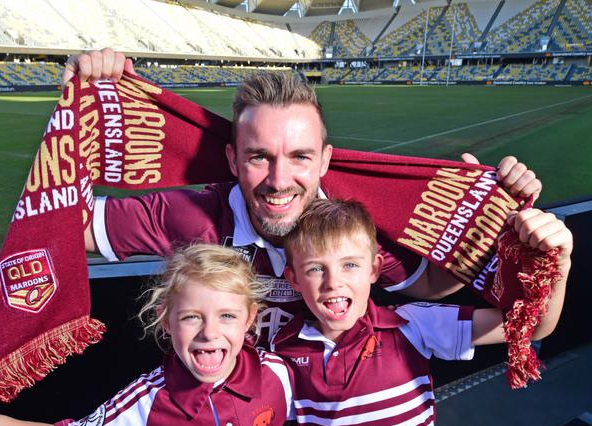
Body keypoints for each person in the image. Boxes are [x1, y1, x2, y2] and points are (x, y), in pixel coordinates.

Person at [62, 49, 543, 346]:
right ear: (231, 160)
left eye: (299, 157)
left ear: (325, 160)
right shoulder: (192, 215)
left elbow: (431, 286)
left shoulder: (351, 231)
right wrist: (76, 126)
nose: (278, 179)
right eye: (258, 157)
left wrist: (492, 213)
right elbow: (64, 229)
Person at [272, 199, 572, 426]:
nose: (333, 282)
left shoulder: (413, 325)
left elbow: (530, 328)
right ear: (294, 278)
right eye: (314, 268)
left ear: (375, 269)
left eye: (349, 264)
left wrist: (560, 263)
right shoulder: (282, 353)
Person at [0, 245, 296, 426]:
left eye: (227, 316)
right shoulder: (147, 403)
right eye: (191, 317)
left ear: (249, 319)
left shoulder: (278, 373)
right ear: (166, 321)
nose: (209, 332)